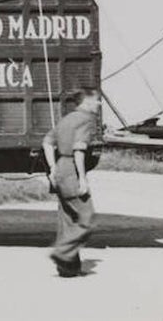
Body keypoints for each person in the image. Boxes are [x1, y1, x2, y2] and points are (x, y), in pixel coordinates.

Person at [42, 87, 100, 277]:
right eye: (96, 100)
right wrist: (82, 178)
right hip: (71, 171)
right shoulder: (87, 120)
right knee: (87, 218)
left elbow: (47, 142)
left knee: (67, 219)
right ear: (87, 102)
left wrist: (52, 168)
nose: (98, 104)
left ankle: (68, 268)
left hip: (60, 168)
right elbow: (79, 150)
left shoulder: (66, 119)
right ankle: (62, 253)